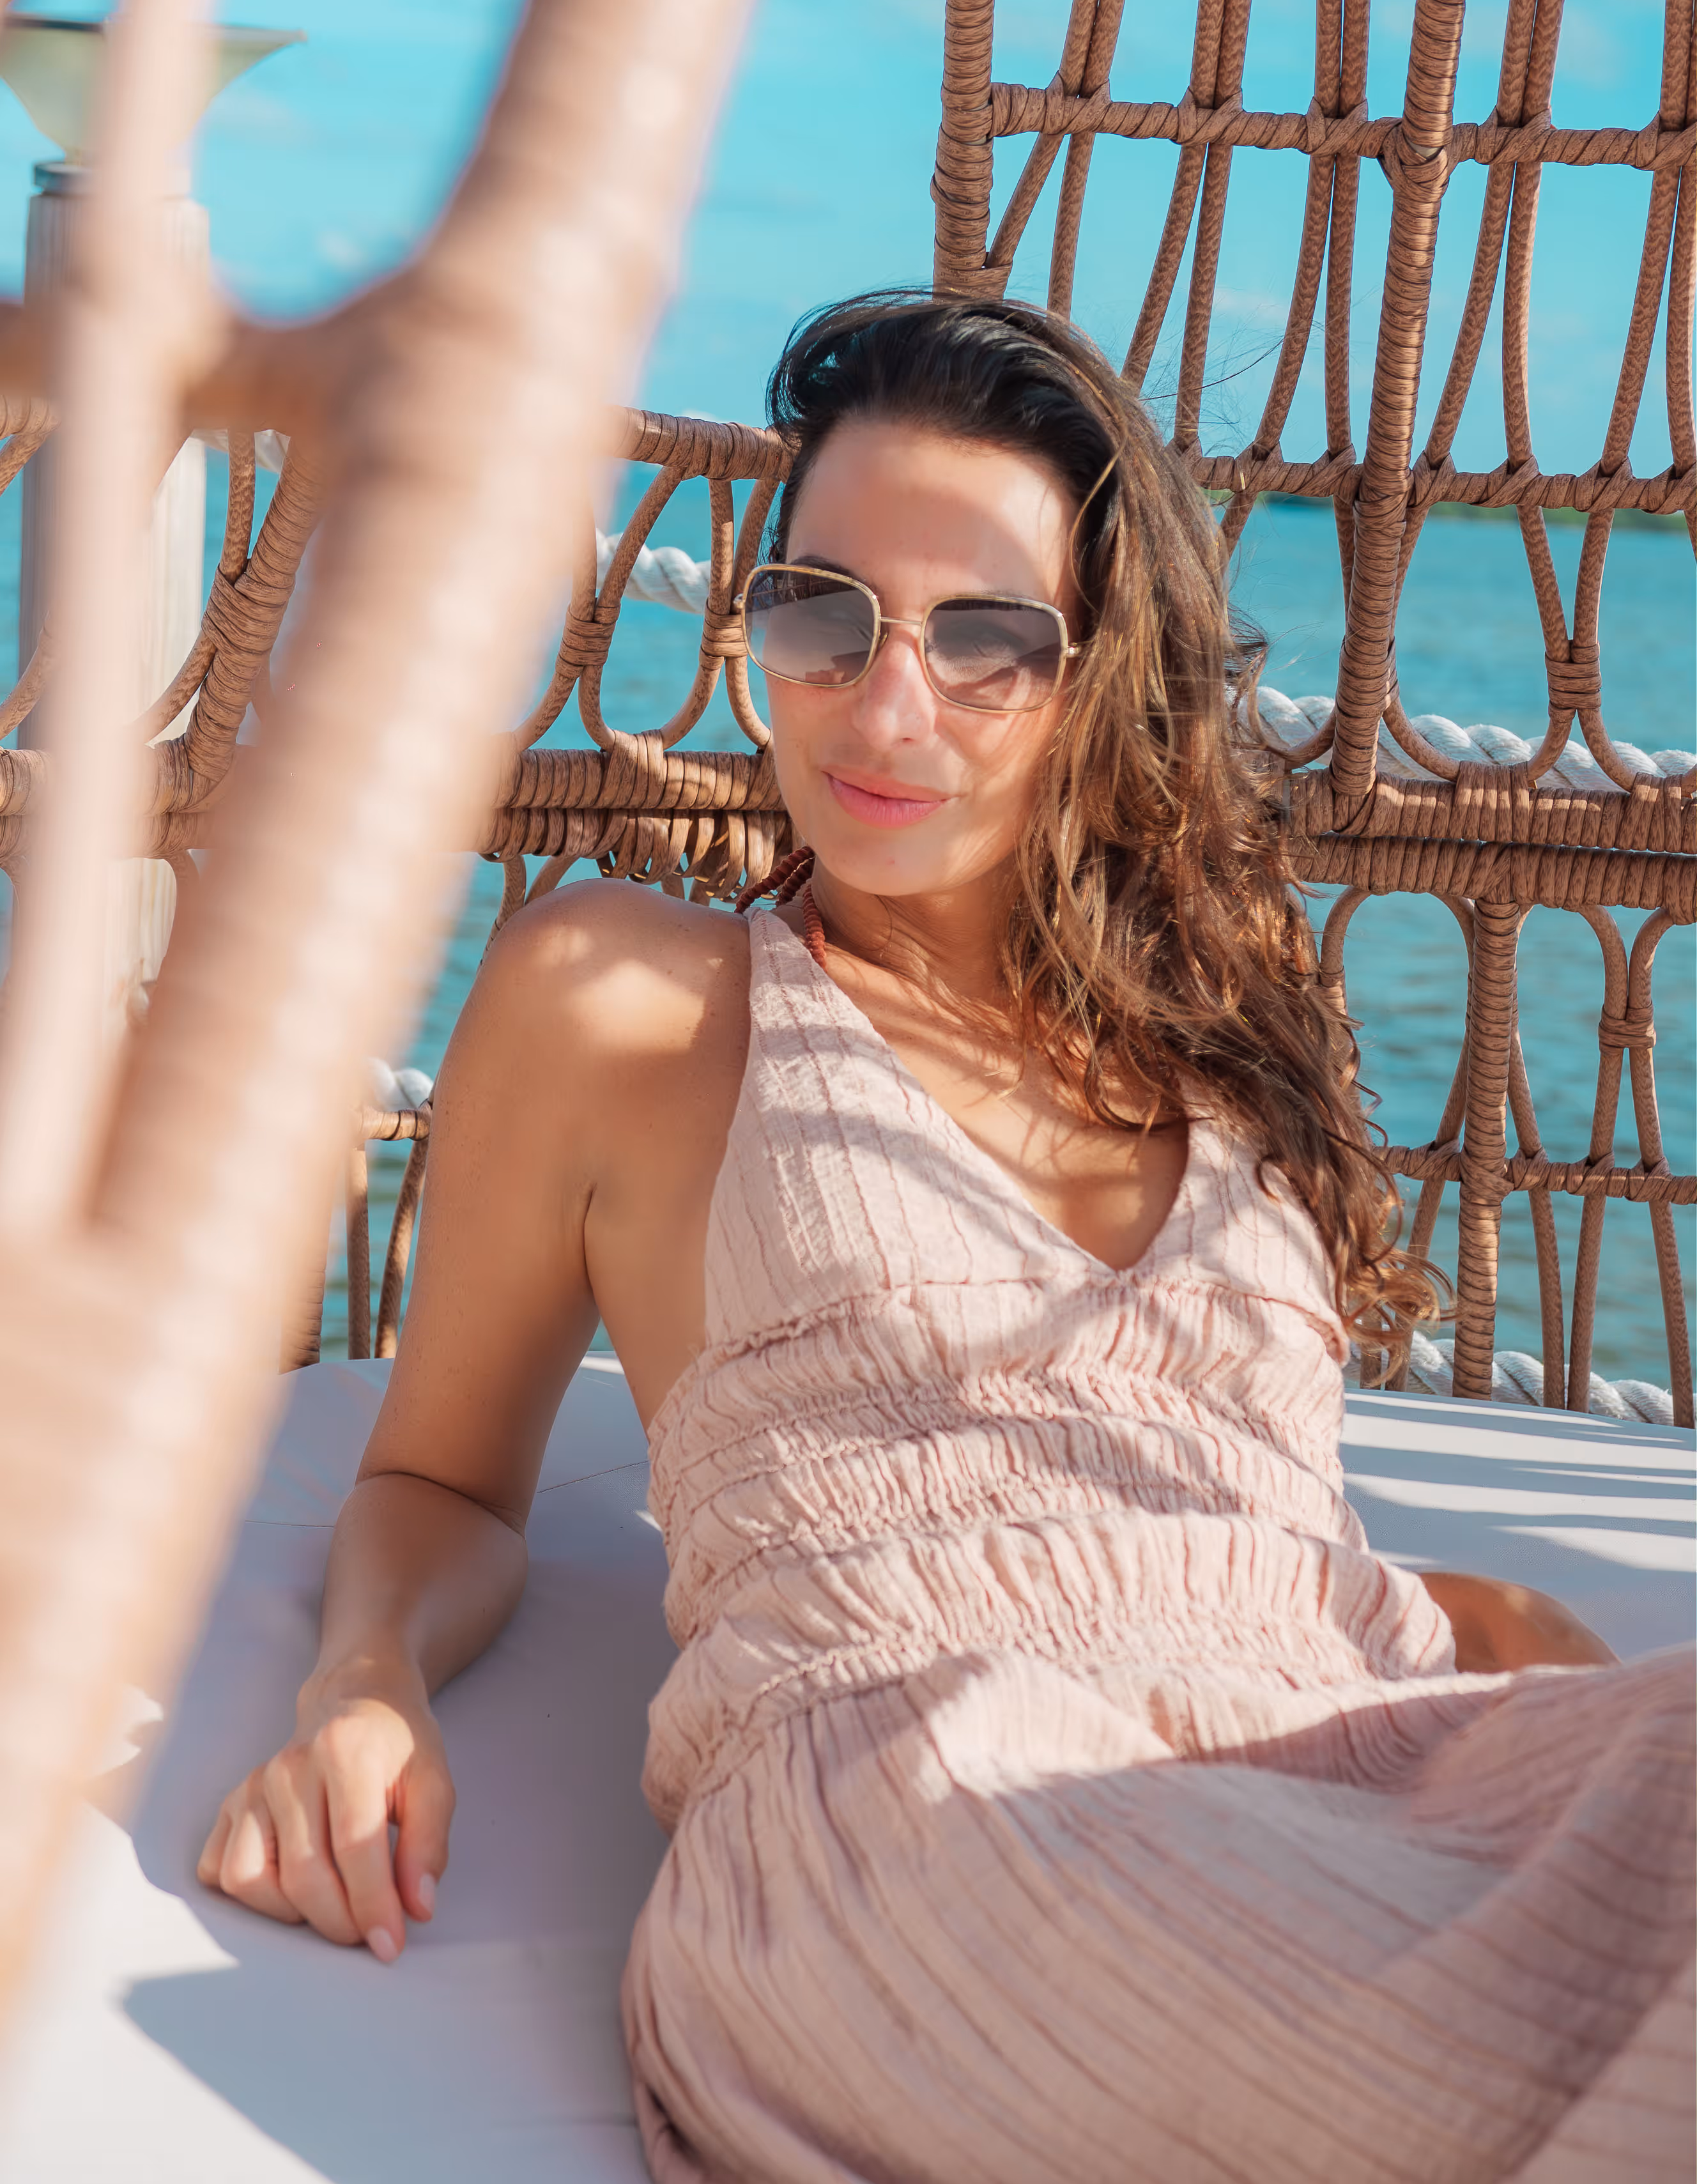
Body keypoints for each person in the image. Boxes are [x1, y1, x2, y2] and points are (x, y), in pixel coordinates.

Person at [200, 293, 1693, 2181]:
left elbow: (1263, 1536)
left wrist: (1541, 1677)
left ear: (1096, 680)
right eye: (822, 615)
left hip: (1338, 1771)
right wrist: (365, 1688)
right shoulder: (630, 1000)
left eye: (987, 640)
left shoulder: (1231, 1054)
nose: (884, 707)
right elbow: (440, 1478)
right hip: (940, 1804)